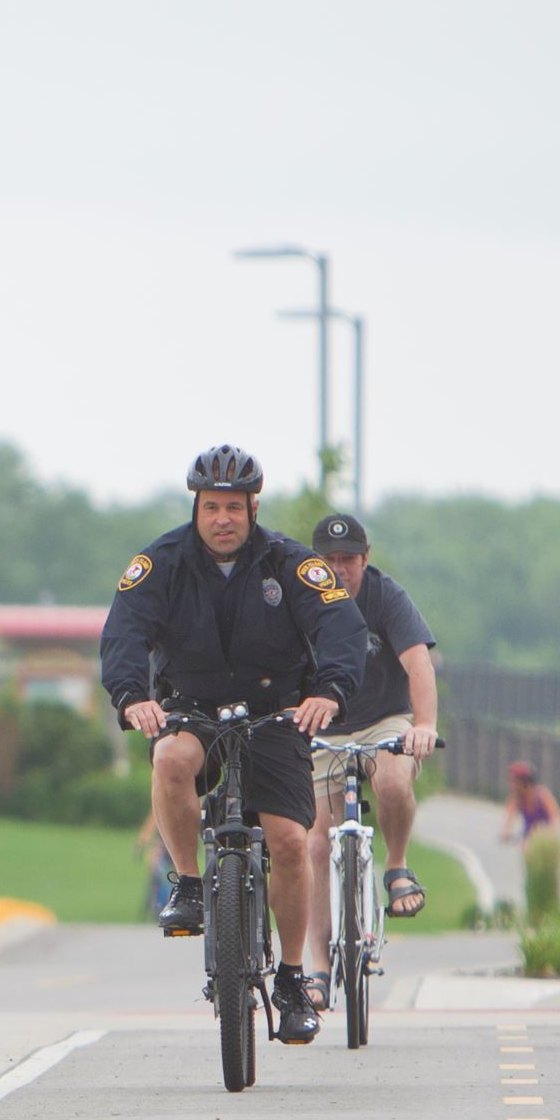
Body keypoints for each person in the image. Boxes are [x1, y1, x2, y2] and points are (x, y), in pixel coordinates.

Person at [102, 445, 367, 1046]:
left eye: (234, 508)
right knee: (171, 758)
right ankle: (188, 884)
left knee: (290, 842)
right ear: (195, 508)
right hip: (191, 705)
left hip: (276, 712)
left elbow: (342, 628)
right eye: (212, 507)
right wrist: (131, 696)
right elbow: (124, 632)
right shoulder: (161, 562)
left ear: (253, 510)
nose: (223, 519)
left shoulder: (291, 564)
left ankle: (293, 980)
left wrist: (329, 692)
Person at [298, 513, 439, 1006]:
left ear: (366, 559)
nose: (339, 569)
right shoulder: (299, 598)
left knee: (395, 781)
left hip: (383, 719)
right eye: (329, 560)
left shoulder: (385, 597)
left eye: (349, 559)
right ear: (315, 562)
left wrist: (424, 725)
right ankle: (318, 968)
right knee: (315, 844)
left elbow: (418, 662)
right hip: (321, 727)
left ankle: (397, 866)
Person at [501, 761, 560, 842]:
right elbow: (509, 819)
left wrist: (550, 832)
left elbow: (555, 818)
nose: (511, 785)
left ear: (525, 782)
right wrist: (506, 832)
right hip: (528, 836)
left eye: (515, 782)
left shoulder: (543, 795)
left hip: (546, 836)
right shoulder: (516, 799)